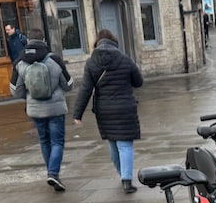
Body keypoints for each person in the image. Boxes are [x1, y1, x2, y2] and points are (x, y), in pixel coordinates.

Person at [71, 30, 143, 194]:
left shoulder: (91, 63)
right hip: (125, 108)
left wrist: (77, 114)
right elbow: (138, 82)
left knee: (113, 145)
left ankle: (121, 174)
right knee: (125, 145)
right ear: (114, 42)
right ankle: (126, 180)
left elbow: (86, 90)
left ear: (97, 43)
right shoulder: (125, 59)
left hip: (105, 110)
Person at [9, 31, 74, 191]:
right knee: (57, 141)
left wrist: (29, 97)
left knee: (44, 141)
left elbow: (15, 90)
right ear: (44, 40)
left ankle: (51, 173)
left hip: (35, 110)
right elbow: (69, 85)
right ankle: (53, 173)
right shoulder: (54, 60)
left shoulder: (19, 62)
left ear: (28, 40)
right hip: (55, 109)